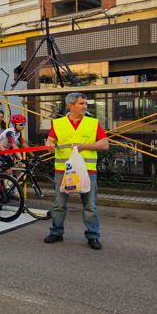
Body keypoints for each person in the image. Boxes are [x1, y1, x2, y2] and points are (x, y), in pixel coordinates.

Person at [44, 92, 109, 250]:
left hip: (87, 171)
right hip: (63, 171)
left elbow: (105, 144)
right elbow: (49, 143)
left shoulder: (93, 123)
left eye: (86, 103)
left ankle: (93, 236)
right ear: (71, 105)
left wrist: (84, 146)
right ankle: (56, 232)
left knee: (90, 206)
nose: (85, 106)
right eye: (81, 103)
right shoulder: (58, 124)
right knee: (59, 205)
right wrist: (50, 147)